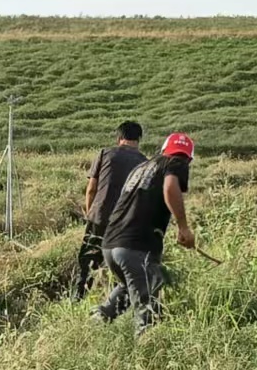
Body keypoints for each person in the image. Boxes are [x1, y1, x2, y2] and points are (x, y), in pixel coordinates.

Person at [94, 132, 196, 336]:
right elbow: (170, 187)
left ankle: (94, 326)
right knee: (148, 309)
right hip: (136, 246)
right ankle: (147, 348)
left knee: (128, 286)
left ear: (163, 149)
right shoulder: (176, 162)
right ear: (189, 159)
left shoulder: (142, 167)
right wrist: (183, 227)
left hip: (111, 243)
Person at [75, 120, 148, 297]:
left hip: (99, 216)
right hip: (125, 223)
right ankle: (115, 302)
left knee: (88, 260)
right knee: (120, 267)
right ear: (139, 139)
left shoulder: (105, 154)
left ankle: (78, 296)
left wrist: (90, 212)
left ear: (119, 138)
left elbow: (91, 189)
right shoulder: (145, 163)